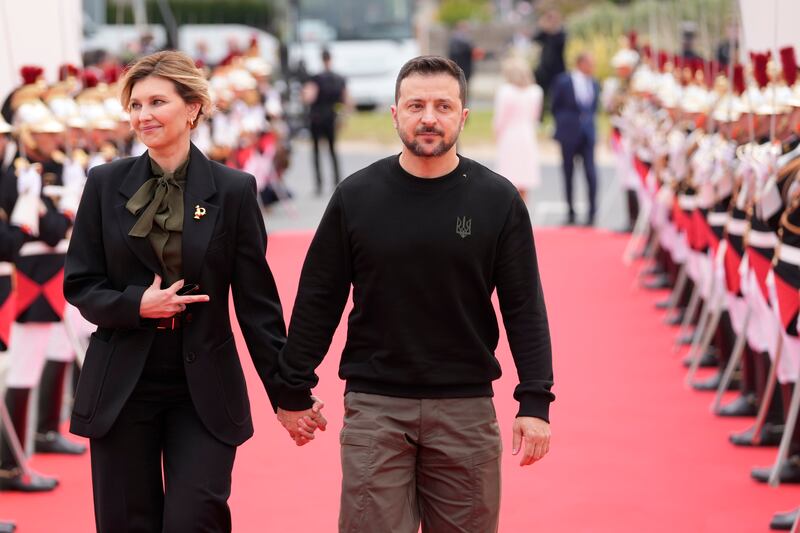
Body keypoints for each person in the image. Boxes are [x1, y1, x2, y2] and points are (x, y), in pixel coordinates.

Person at [273, 56, 554, 533]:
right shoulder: (356, 197)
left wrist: (535, 402)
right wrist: (293, 387)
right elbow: (320, 296)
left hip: (466, 409)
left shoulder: (497, 200)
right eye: (416, 105)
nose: (429, 117)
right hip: (375, 408)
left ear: (463, 116)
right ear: (395, 113)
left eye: (443, 106)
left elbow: (524, 305)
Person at [62, 51, 316, 532]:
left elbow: (258, 309)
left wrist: (289, 394)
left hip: (202, 388)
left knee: (193, 520)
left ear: (193, 107)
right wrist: (136, 305)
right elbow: (80, 283)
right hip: (122, 386)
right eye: (135, 105)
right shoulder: (103, 183)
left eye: (157, 101)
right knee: (126, 523)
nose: (143, 116)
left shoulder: (234, 190)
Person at [551, 52, 600, 225]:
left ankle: (593, 212)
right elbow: (555, 106)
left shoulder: (594, 83)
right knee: (568, 172)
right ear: (581, 63)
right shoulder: (564, 81)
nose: (592, 67)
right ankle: (570, 212)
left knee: (591, 172)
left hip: (587, 134)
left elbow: (594, 108)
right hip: (569, 133)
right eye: (589, 63)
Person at [493, 55, 543, 200]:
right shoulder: (536, 91)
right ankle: (523, 215)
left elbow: (499, 119)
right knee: (524, 179)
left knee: (508, 179)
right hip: (527, 135)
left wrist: (496, 134)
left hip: (510, 136)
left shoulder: (505, 91)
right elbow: (535, 116)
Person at [303, 49, 347, 196]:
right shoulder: (339, 78)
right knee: (333, 150)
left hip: (316, 117)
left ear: (321, 59)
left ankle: (319, 184)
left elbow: (310, 97)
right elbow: (346, 99)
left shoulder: (316, 78)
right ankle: (337, 181)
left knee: (316, 151)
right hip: (331, 117)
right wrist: (343, 117)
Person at [532, 9, 566, 102]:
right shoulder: (545, 34)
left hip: (557, 69)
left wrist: (552, 29)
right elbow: (535, 38)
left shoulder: (561, 33)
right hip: (544, 69)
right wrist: (542, 25)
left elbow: (559, 42)